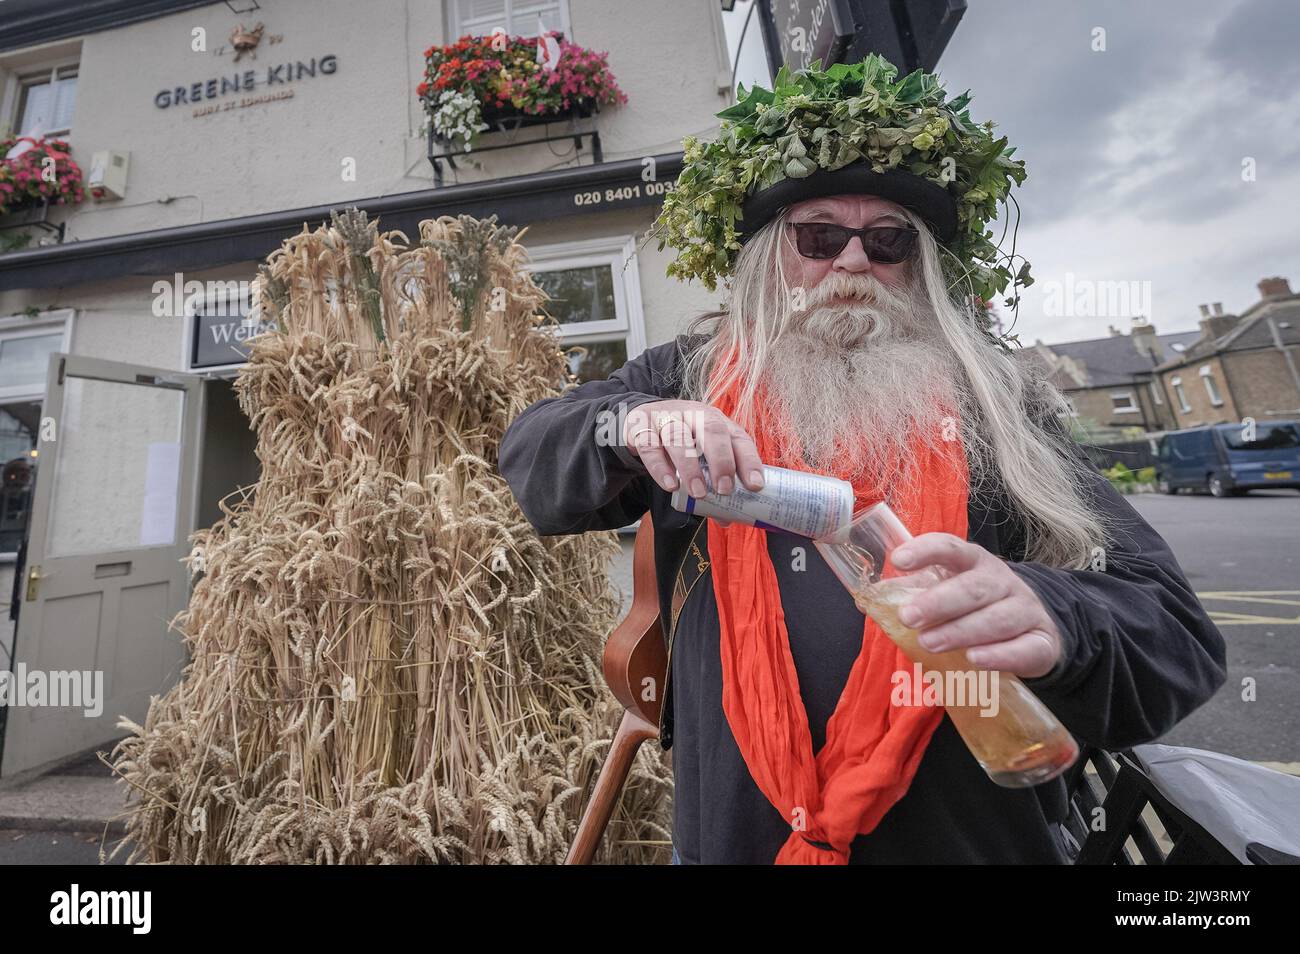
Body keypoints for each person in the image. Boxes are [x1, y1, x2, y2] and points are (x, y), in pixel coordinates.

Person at [498, 55, 1227, 864]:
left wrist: (1055, 616)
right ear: (772, 257)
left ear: (917, 268)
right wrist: (629, 424)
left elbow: (1176, 637)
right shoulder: (690, 378)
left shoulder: (996, 405)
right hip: (736, 834)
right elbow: (532, 455)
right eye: (819, 237)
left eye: (888, 241)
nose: (853, 263)